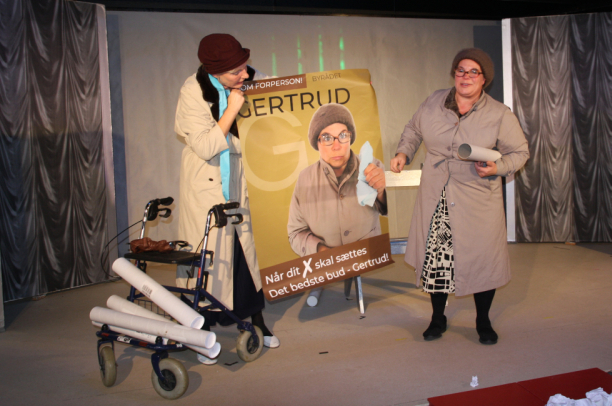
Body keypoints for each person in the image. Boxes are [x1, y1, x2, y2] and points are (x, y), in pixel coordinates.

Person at [390, 48, 529, 345]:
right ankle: (437, 318)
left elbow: (520, 152)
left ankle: (483, 320)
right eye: (461, 70)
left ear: (484, 78)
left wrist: (497, 167)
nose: (466, 76)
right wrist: (403, 152)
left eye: (473, 71)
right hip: (437, 195)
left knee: (482, 259)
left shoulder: (499, 114)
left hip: (477, 198)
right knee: (437, 258)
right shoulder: (434, 102)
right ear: (454, 73)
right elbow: (413, 129)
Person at [174, 33, 279, 363]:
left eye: (245, 66)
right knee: (206, 258)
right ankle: (201, 333)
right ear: (215, 72)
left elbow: (287, 98)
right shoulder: (192, 91)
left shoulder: (251, 78)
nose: (245, 74)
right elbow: (206, 146)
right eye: (237, 72)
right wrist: (233, 108)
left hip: (240, 177)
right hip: (206, 181)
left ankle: (256, 322)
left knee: (246, 256)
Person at [287, 103, 387, 306]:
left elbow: (388, 209)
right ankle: (320, 283)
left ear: (350, 137)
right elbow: (295, 232)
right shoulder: (305, 179)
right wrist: (321, 251)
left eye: (342, 135)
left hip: (365, 253)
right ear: (316, 143)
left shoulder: (372, 167)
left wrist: (382, 190)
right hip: (326, 259)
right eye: (326, 138)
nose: (336, 145)